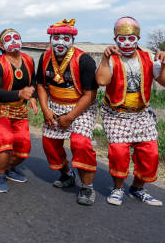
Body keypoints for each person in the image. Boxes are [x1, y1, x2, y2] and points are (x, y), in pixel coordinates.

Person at [95, 16, 165, 206]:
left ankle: (138, 188)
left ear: (138, 39)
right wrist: (105, 58)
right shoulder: (111, 59)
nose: (127, 43)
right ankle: (118, 188)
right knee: (119, 152)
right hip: (116, 113)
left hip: (141, 113)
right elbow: (102, 81)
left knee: (150, 153)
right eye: (122, 39)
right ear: (115, 40)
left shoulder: (149, 59)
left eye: (131, 38)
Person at [36, 19, 99, 205]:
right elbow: (41, 85)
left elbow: (90, 94)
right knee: (49, 144)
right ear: (50, 39)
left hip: (81, 108)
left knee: (81, 144)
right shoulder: (45, 57)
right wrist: (45, 110)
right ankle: (67, 174)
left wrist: (71, 117)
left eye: (65, 38)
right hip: (54, 105)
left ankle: (87, 187)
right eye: (56, 38)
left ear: (72, 40)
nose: (60, 42)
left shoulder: (84, 60)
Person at [0, 28, 38, 193]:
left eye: (16, 37)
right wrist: (19, 94)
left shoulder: (28, 60)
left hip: (19, 110)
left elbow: (33, 82)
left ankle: (8, 168)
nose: (13, 40)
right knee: (6, 140)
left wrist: (33, 98)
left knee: (24, 146)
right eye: (8, 39)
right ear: (1, 45)